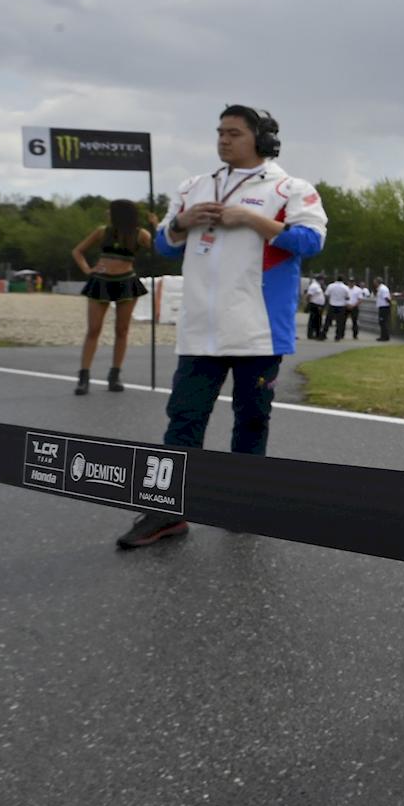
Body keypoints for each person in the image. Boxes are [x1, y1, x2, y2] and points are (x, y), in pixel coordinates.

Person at [118, 105, 327, 549]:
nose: (223, 139)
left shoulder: (290, 188)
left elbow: (312, 241)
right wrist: (182, 221)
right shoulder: (192, 186)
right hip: (199, 329)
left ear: (261, 139)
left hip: (258, 330)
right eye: (220, 132)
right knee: (183, 420)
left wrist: (251, 219)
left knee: (251, 421)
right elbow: (164, 245)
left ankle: (241, 503)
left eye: (234, 133)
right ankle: (166, 511)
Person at [70, 198, 153, 394]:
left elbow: (159, 250)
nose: (107, 213)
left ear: (120, 214)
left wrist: (155, 226)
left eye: (110, 210)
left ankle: (114, 375)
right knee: (94, 329)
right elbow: (77, 251)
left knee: (122, 330)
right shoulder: (102, 231)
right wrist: (87, 269)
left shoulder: (140, 234)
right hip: (101, 282)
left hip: (126, 282)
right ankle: (84, 376)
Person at [325, 274, 351, 340]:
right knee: (340, 322)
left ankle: (323, 334)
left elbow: (327, 295)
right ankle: (338, 336)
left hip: (332, 304)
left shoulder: (331, 286)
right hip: (341, 306)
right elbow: (348, 297)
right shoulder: (345, 287)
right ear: (343, 280)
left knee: (328, 321)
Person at [304, 276, 326, 340]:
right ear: (320, 280)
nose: (323, 281)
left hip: (318, 305)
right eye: (322, 280)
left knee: (317, 320)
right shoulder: (314, 286)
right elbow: (309, 295)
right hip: (315, 305)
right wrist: (308, 304)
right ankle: (310, 334)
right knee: (313, 320)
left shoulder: (318, 286)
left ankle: (317, 334)